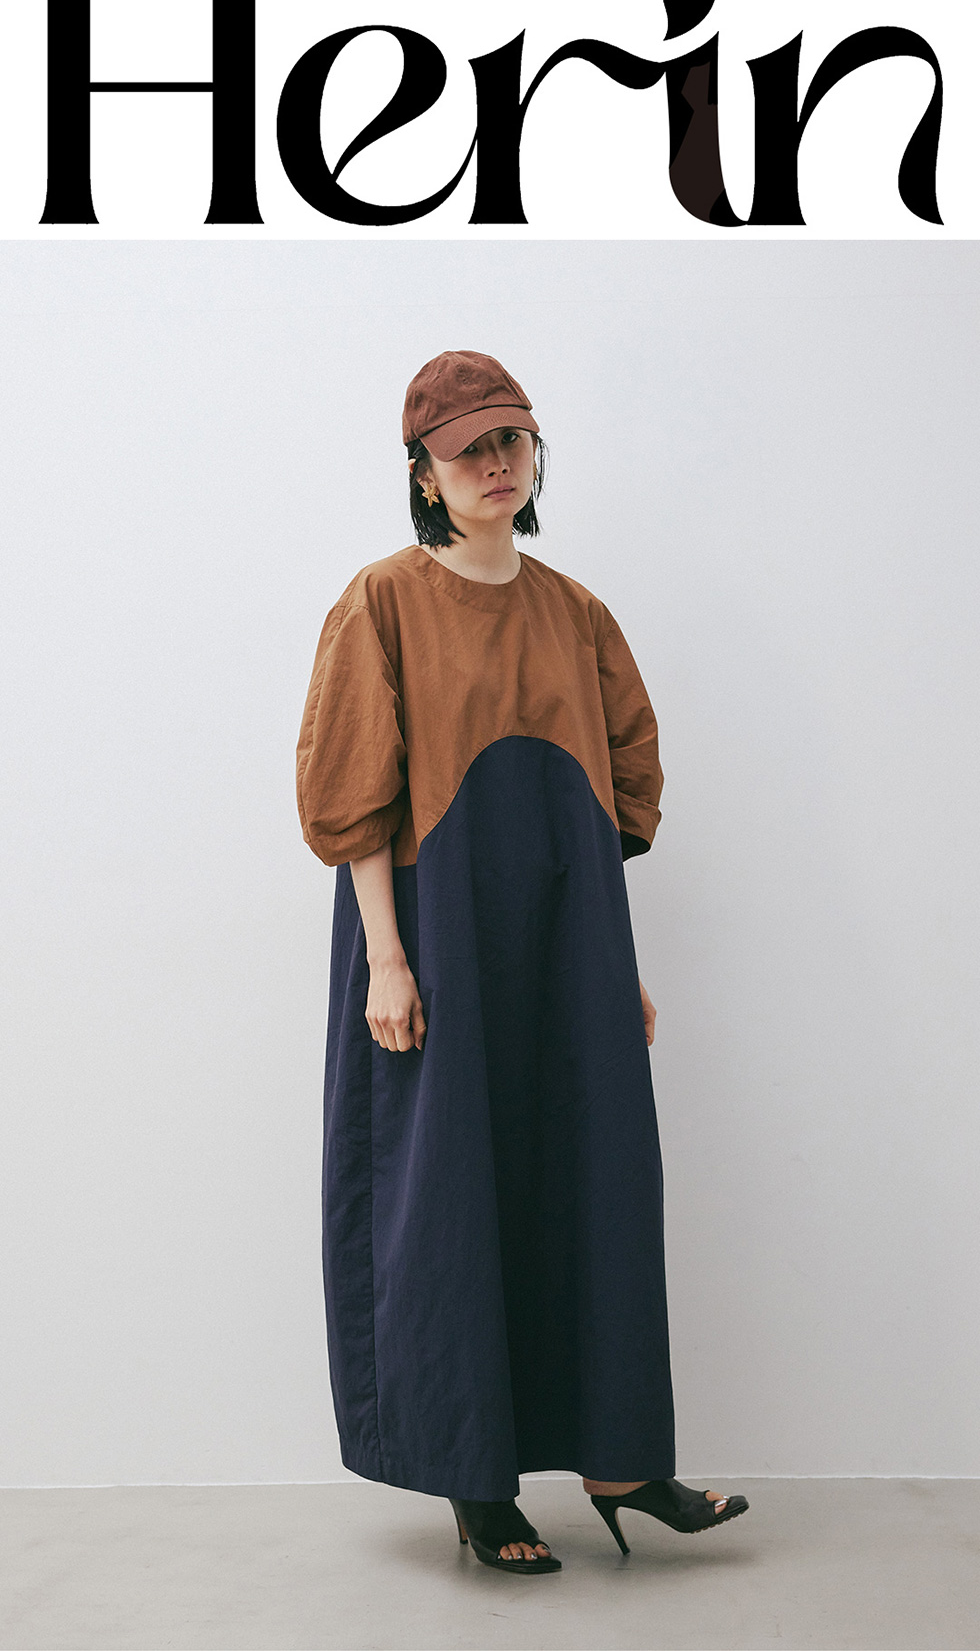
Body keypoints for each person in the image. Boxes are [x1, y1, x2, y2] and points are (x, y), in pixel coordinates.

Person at [296, 350, 749, 1574]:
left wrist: (616, 962)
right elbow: (353, 800)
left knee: (595, 1176)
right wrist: (387, 961)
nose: (496, 465)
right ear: (424, 475)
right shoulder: (381, 602)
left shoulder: (574, 612)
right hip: (436, 933)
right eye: (469, 450)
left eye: (512, 441)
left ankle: (619, 1461)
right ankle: (475, 1482)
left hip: (568, 940)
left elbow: (613, 792)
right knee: (451, 1190)